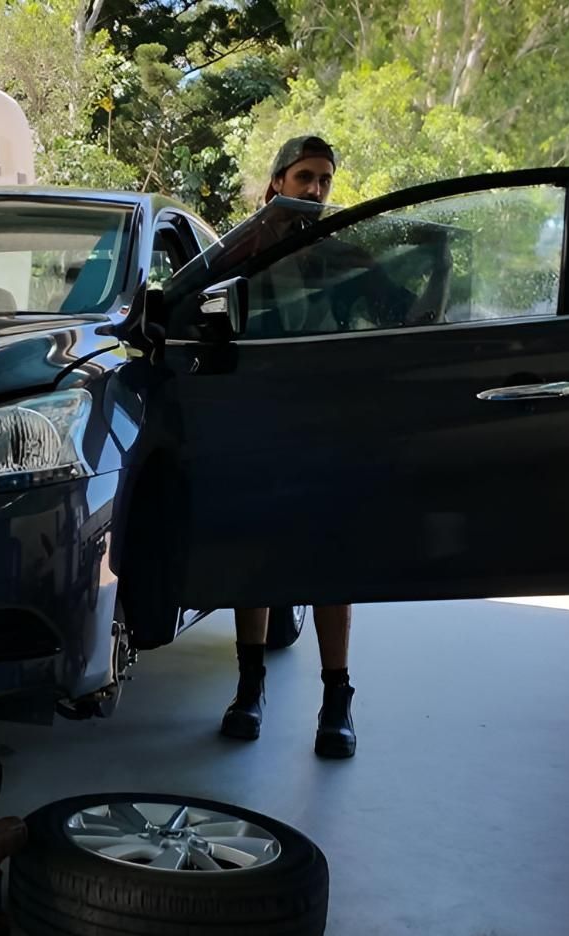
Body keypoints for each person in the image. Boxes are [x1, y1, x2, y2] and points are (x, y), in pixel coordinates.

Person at [219, 135, 359, 760]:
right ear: (277, 182)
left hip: (326, 425)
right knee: (254, 560)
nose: (316, 190)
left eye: (325, 179)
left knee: (331, 564)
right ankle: (250, 687)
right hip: (254, 426)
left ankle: (337, 700)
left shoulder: (343, 252)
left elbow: (398, 311)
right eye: (304, 177)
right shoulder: (240, 249)